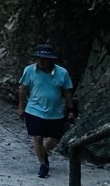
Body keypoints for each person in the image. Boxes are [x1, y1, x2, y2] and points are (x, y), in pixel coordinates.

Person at [18, 44, 75, 178]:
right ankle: (43, 164)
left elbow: (67, 92)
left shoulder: (62, 73)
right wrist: (21, 106)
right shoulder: (29, 70)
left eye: (43, 59)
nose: (40, 62)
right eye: (38, 58)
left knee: (54, 139)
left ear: (51, 60)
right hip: (34, 109)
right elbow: (23, 88)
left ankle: (42, 151)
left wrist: (71, 109)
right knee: (37, 136)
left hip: (55, 112)